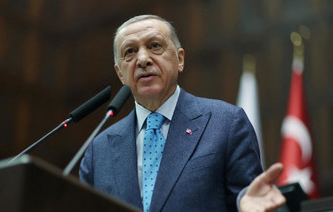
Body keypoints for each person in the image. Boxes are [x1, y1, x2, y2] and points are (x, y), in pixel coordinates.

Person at [79, 14, 286, 212]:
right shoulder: (98, 151)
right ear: (120, 73)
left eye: (154, 46)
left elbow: (250, 198)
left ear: (179, 59)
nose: (142, 59)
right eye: (130, 52)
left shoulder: (226, 123)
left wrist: (245, 207)